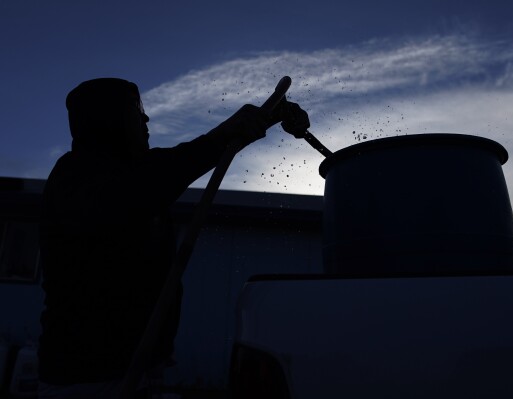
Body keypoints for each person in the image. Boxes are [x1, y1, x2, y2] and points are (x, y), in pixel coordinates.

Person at [37, 77, 309, 398]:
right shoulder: (78, 177)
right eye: (136, 112)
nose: (146, 120)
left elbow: (168, 167)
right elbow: (149, 182)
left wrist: (268, 116)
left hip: (135, 370)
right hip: (88, 380)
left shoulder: (131, 171)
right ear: (110, 121)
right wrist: (226, 133)